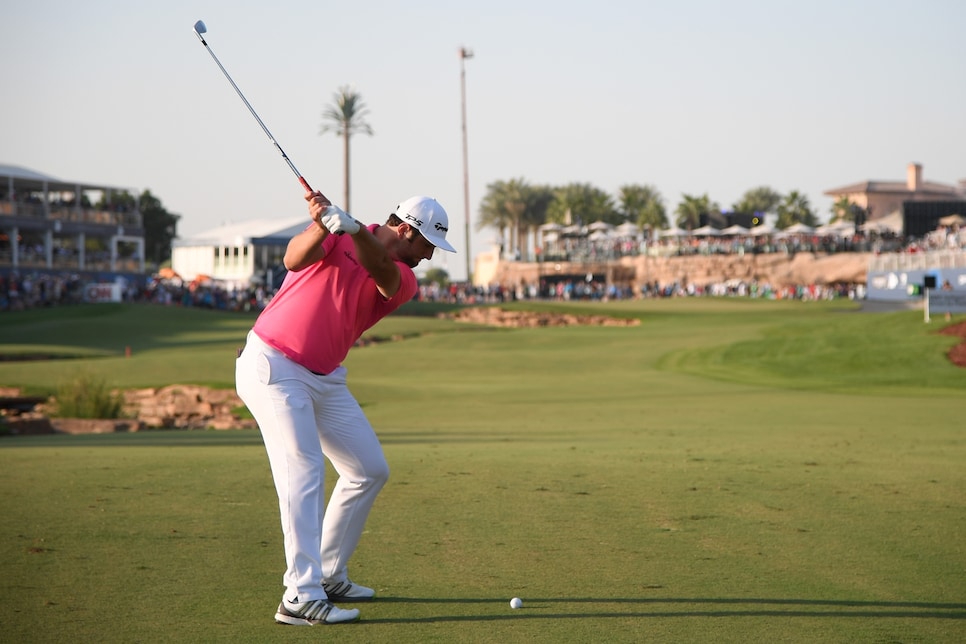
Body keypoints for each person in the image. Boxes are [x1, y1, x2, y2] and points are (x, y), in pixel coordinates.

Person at [235, 191, 456, 626]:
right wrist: (320, 222)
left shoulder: (402, 277)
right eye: (426, 245)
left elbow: (380, 270)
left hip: (324, 376)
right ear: (405, 230)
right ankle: (300, 596)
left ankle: (330, 573)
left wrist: (351, 227)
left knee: (368, 468)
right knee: (304, 470)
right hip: (275, 365)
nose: (427, 257)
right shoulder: (335, 234)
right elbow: (292, 260)